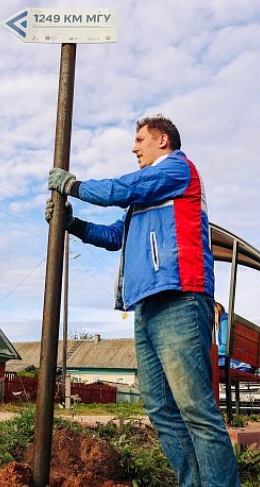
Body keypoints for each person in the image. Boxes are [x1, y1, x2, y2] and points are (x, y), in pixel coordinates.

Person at [46, 115, 239, 486]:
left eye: (140, 139)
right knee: (161, 409)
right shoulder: (147, 196)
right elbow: (116, 234)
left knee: (195, 409)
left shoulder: (177, 170)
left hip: (180, 295)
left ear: (162, 140)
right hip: (146, 304)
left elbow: (121, 188)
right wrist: (73, 224)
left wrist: (73, 185)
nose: (134, 148)